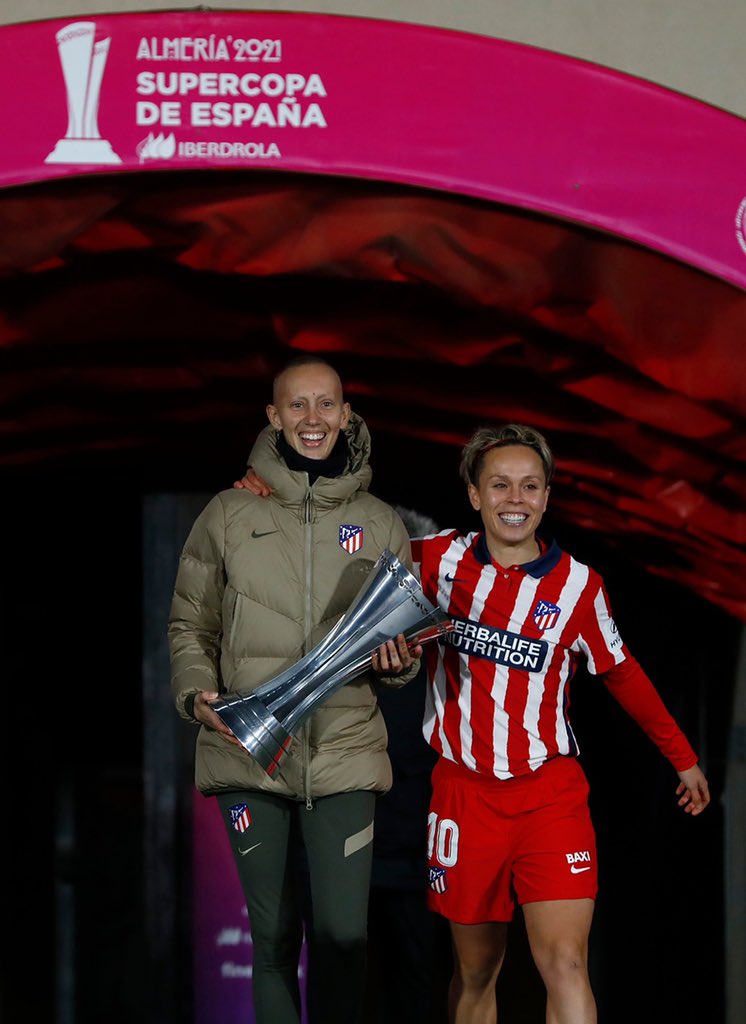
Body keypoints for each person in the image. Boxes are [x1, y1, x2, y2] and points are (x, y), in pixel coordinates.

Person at [411, 423, 710, 1024]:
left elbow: (622, 673)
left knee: (567, 964)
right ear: (475, 495)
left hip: (551, 796)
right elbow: (349, 539)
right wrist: (272, 494)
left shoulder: (578, 586)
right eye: (499, 485)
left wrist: (682, 757)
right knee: (476, 972)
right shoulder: (435, 558)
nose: (514, 499)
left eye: (529, 486)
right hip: (464, 795)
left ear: (547, 497)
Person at [168, 355, 422, 1024]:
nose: (314, 419)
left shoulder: (381, 520)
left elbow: (401, 651)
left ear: (345, 414)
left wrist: (398, 663)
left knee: (343, 936)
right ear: (274, 417)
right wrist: (198, 694)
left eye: (327, 405)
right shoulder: (227, 513)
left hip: (344, 752)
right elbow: (190, 625)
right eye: (298, 406)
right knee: (274, 940)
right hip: (251, 752)